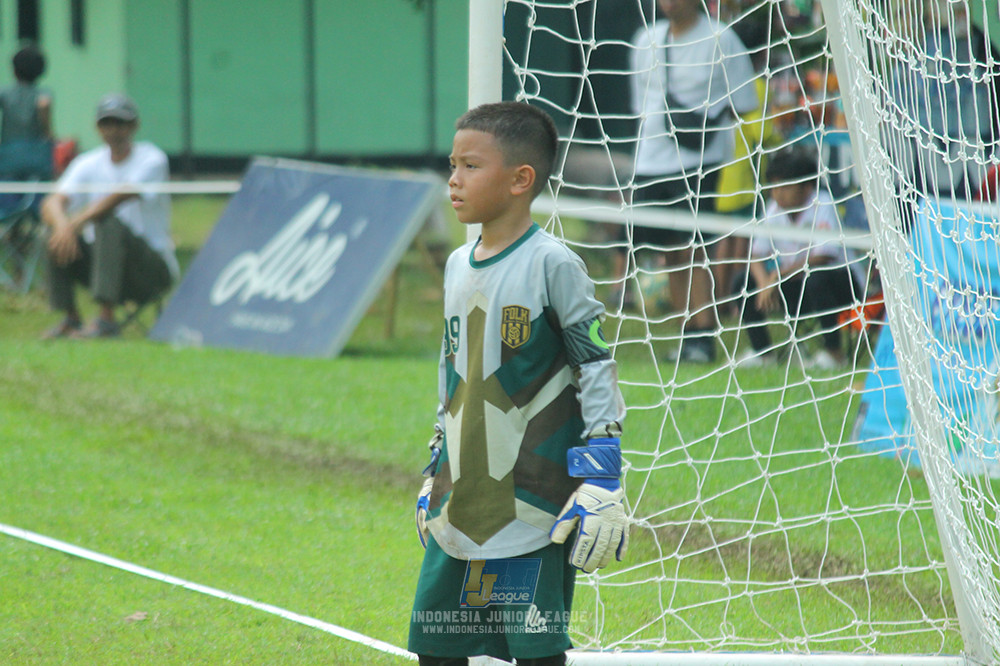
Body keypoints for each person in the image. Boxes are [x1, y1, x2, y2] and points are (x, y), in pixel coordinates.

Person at [409, 101, 628, 666]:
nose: (454, 180)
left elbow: (594, 362)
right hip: (461, 500)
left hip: (531, 501)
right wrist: (438, 460)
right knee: (436, 644)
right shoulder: (459, 263)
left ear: (520, 179)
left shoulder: (552, 263)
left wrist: (603, 466)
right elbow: (453, 370)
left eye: (471, 166)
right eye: (452, 164)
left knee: (535, 651)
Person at [627, 0, 758, 362]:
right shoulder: (644, 41)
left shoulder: (721, 39)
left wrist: (703, 124)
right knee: (669, 247)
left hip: (699, 161)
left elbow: (744, 102)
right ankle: (688, 332)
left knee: (694, 247)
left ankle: (704, 332)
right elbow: (642, 106)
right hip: (650, 159)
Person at [40, 93, 179, 339]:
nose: (113, 130)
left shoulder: (152, 158)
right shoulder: (87, 162)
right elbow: (52, 202)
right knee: (50, 233)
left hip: (151, 270)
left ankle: (106, 319)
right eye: (106, 123)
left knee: (107, 223)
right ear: (97, 127)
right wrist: (63, 225)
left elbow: (120, 196)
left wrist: (77, 222)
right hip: (104, 266)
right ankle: (70, 317)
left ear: (134, 125)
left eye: (120, 123)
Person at [737, 145, 859, 369]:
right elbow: (754, 255)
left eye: (784, 186)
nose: (777, 193)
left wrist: (777, 275)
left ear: (806, 188)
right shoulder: (773, 209)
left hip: (840, 285)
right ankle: (762, 352)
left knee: (817, 278)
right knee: (743, 281)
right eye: (773, 186)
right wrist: (765, 281)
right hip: (794, 285)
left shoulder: (823, 204)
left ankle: (834, 353)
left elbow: (824, 257)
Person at [0, 44, 53, 181]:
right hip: (37, 155)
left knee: (8, 197)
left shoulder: (4, 93)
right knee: (37, 197)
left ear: (14, 69)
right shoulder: (43, 94)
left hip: (8, 154)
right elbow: (44, 108)